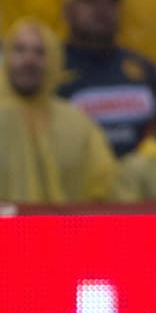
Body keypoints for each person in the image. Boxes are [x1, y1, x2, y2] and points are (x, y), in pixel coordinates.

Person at [0, 18, 117, 203]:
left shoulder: (76, 123)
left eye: (40, 52)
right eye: (19, 49)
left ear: (54, 60)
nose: (29, 60)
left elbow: (104, 184)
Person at [57, 0, 156, 157]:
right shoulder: (50, 68)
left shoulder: (143, 68)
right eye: (90, 0)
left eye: (110, 1)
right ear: (68, 11)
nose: (102, 9)